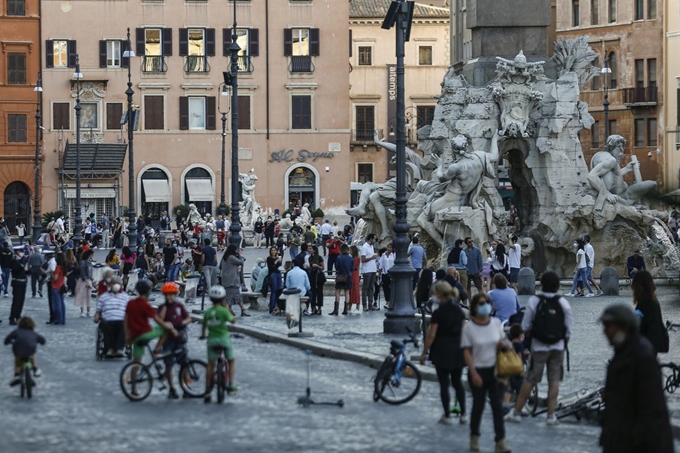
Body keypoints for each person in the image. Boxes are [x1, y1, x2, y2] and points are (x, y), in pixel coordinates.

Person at [599, 304, 673, 453]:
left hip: (637, 443)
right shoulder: (624, 351)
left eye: (609, 326)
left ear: (623, 327)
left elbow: (650, 407)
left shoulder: (641, 355)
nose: (605, 331)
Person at [506, 271, 572, 425]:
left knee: (530, 379)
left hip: (539, 346)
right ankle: (550, 416)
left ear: (541, 284)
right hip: (558, 347)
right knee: (554, 380)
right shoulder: (564, 303)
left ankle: (516, 413)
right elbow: (568, 330)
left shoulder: (534, 301)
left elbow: (525, 325)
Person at [461, 293, 511, 453]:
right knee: (478, 405)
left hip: (495, 370)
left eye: (488, 303)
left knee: (497, 406)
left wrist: (502, 345)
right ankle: (474, 437)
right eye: (482, 303)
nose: (486, 306)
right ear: (475, 307)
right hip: (477, 370)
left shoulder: (496, 323)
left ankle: (500, 441)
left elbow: (505, 342)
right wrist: (473, 372)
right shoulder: (469, 327)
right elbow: (467, 352)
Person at [420, 281, 467, 425]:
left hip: (441, 350)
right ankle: (464, 414)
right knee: (458, 382)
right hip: (458, 350)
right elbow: (465, 331)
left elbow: (432, 334)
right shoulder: (459, 311)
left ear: (439, 295)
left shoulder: (438, 313)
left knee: (444, 384)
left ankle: (447, 414)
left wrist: (424, 352)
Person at [124, 279, 176, 367]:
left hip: (134, 335)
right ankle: (157, 350)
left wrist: (126, 335)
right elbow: (157, 320)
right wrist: (170, 327)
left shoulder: (131, 303)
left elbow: (125, 321)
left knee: (137, 362)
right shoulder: (145, 305)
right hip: (144, 333)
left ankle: (133, 379)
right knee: (165, 330)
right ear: (148, 291)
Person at [154, 282, 191, 399]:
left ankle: (186, 388)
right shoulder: (162, 307)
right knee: (168, 365)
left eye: (172, 295)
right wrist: (165, 307)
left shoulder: (179, 307)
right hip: (168, 340)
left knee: (184, 364)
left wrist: (182, 323)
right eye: (167, 295)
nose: (170, 297)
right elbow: (160, 320)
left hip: (180, 339)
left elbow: (188, 318)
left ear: (176, 295)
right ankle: (172, 389)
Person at [201, 285, 237, 403]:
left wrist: (203, 335)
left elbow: (204, 326)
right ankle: (231, 384)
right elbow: (233, 320)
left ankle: (207, 391)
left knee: (210, 364)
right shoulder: (223, 311)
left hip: (212, 340)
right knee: (231, 360)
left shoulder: (208, 311)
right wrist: (226, 308)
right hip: (224, 339)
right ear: (223, 299)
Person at [631, 270, 668, 355]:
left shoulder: (647, 302)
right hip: (649, 342)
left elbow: (643, 323)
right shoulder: (650, 300)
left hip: (648, 343)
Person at [94, 276, 129, 357]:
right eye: (114, 283)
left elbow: (130, 311)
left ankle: (119, 349)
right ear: (110, 285)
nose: (116, 285)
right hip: (107, 319)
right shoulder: (104, 296)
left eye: (118, 283)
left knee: (124, 326)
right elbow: (98, 310)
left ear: (121, 285)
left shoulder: (125, 297)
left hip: (121, 319)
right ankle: (109, 349)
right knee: (104, 325)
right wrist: (96, 317)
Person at [4, 316, 45, 385]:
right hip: (31, 349)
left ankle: (17, 375)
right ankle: (35, 369)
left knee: (18, 359)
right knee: (32, 354)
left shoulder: (16, 332)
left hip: (18, 350)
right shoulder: (33, 333)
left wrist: (8, 342)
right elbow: (43, 341)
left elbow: (7, 339)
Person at [219, 244, 250, 317]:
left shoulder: (225, 257)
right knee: (236, 295)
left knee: (229, 296)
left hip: (226, 280)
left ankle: (230, 310)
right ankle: (243, 310)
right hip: (232, 280)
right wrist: (240, 255)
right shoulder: (231, 257)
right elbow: (241, 262)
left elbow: (220, 266)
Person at [504, 324, 526, 411]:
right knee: (520, 390)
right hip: (516, 371)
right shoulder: (519, 345)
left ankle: (505, 405)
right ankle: (520, 407)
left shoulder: (509, 344)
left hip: (509, 369)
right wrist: (521, 370)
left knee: (509, 389)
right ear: (520, 335)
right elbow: (519, 357)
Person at [8, 246, 28, 325]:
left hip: (23, 282)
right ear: (17, 252)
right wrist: (22, 262)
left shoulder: (20, 260)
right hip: (17, 282)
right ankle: (12, 317)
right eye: (21, 251)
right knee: (16, 301)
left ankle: (18, 315)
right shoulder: (14, 261)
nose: (22, 252)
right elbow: (17, 269)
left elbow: (24, 271)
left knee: (21, 301)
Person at [360, 234, 378, 311]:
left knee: (371, 288)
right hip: (367, 270)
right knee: (365, 288)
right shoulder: (364, 247)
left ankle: (370, 304)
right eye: (374, 239)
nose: (375, 241)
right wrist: (372, 258)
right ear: (370, 239)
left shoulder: (371, 246)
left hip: (373, 269)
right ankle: (364, 305)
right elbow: (363, 259)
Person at [334, 243, 354, 315]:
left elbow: (337, 267)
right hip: (348, 276)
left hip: (340, 276)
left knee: (337, 292)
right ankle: (345, 309)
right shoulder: (351, 258)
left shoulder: (339, 257)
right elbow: (352, 268)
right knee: (347, 292)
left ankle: (336, 310)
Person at [74, 249, 94, 317]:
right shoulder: (84, 262)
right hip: (84, 280)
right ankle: (82, 311)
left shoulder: (87, 262)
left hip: (87, 280)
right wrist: (86, 279)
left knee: (88, 296)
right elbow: (82, 271)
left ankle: (88, 311)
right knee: (83, 296)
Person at [51, 253, 67, 325]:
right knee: (62, 304)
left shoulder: (57, 267)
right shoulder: (63, 267)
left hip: (56, 286)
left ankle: (58, 319)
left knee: (57, 304)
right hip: (61, 286)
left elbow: (55, 278)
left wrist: (51, 273)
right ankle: (63, 319)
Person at [309, 245, 325, 315]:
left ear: (314, 250)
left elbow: (323, 267)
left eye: (311, 249)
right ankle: (313, 307)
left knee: (319, 292)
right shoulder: (309, 258)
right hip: (312, 275)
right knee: (313, 291)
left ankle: (319, 307)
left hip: (318, 275)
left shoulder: (319, 257)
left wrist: (317, 266)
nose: (309, 250)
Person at [266, 246, 283, 314]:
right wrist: (276, 261)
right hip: (273, 274)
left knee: (279, 291)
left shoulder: (278, 257)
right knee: (274, 291)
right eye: (272, 250)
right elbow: (271, 267)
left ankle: (277, 307)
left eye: (274, 250)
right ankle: (272, 308)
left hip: (278, 274)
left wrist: (279, 260)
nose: (273, 251)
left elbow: (280, 266)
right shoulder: (269, 258)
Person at [379, 243, 395, 310]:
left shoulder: (394, 255)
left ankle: (391, 301)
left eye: (390, 247)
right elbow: (381, 264)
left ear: (392, 248)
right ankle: (387, 301)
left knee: (391, 288)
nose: (389, 248)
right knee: (385, 288)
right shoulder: (383, 255)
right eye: (388, 247)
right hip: (384, 273)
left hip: (391, 273)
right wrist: (379, 273)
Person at [350, 245, 362, 314]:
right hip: (355, 274)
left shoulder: (355, 258)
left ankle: (354, 306)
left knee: (354, 290)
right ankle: (354, 306)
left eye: (350, 250)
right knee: (353, 290)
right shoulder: (357, 258)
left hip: (353, 274)